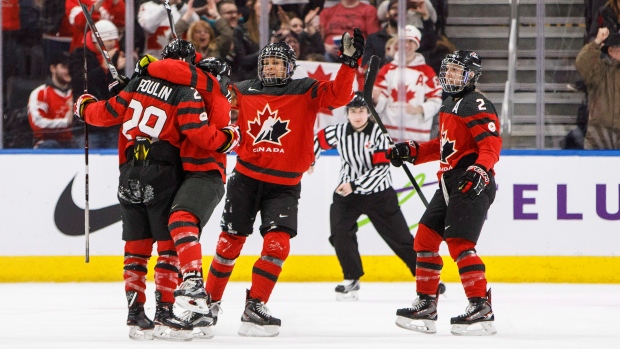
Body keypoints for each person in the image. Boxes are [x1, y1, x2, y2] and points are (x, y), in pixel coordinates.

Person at [73, 40, 240, 341]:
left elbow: (105, 113)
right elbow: (195, 132)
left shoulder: (138, 84)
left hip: (128, 174)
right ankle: (165, 313)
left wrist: (84, 106)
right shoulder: (188, 91)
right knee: (167, 247)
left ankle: (136, 315)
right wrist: (227, 139)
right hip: (161, 172)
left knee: (135, 247)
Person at [203, 30, 364, 337]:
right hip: (245, 180)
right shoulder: (244, 89)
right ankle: (208, 304)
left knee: (278, 245)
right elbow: (214, 110)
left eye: (277, 63)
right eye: (266, 63)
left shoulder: (307, 90)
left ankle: (256, 305)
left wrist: (348, 63)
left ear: (290, 67)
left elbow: (340, 96)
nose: (270, 68)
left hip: (284, 185)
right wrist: (207, 80)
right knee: (228, 245)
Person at [387, 50, 501, 336]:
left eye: (457, 71)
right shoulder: (451, 103)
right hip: (449, 182)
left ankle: (480, 307)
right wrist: (412, 150)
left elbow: (490, 146)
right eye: (448, 70)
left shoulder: (475, 102)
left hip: (471, 180)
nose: (450, 76)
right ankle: (426, 303)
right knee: (425, 237)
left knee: (460, 243)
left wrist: (479, 172)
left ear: (472, 76)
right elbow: (444, 145)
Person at [144, 53, 237, 340]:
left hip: (205, 175)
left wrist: (148, 66)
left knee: (181, 219)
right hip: (191, 175)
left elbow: (199, 134)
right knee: (171, 244)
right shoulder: (206, 97)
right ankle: (185, 311)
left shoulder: (209, 96)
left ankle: (194, 283)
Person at [310, 92, 419, 301]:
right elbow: (317, 140)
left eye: (361, 111)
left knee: (402, 239)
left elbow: (380, 169)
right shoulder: (339, 131)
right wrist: (311, 160)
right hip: (346, 193)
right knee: (340, 233)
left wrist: (355, 184)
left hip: (379, 195)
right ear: (347, 113)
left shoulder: (379, 134)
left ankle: (426, 277)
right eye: (353, 111)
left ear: (368, 113)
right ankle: (351, 278)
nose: (357, 115)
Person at [371, 25, 442, 143]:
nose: (407, 45)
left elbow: (436, 100)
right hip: (389, 132)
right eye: (404, 41)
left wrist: (420, 109)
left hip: (416, 134)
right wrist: (377, 99)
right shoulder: (387, 69)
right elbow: (381, 100)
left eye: (411, 41)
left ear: (417, 45)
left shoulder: (427, 72)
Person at [68, 19, 125, 149]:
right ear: (97, 40)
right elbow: (81, 83)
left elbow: (117, 88)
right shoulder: (79, 55)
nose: (113, 44)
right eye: (109, 40)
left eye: (114, 40)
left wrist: (118, 70)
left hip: (111, 122)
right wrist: (103, 68)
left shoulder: (115, 55)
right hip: (87, 125)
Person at [576, 27, 620, 149]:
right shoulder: (599, 69)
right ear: (609, 50)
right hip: (598, 133)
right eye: (615, 49)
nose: (617, 52)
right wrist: (596, 42)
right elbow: (582, 63)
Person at [364, 0, 437, 67]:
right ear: (387, 14)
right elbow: (366, 66)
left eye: (403, 9)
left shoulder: (415, 35)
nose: (399, 11)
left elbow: (431, 43)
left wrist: (425, 15)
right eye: (394, 8)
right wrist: (388, 58)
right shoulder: (374, 39)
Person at [28, 52, 75, 149]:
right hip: (46, 143)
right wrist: (66, 122)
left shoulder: (77, 93)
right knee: (51, 145)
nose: (68, 71)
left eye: (70, 67)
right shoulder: (40, 93)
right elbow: (37, 124)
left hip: (73, 141)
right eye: (64, 67)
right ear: (53, 69)